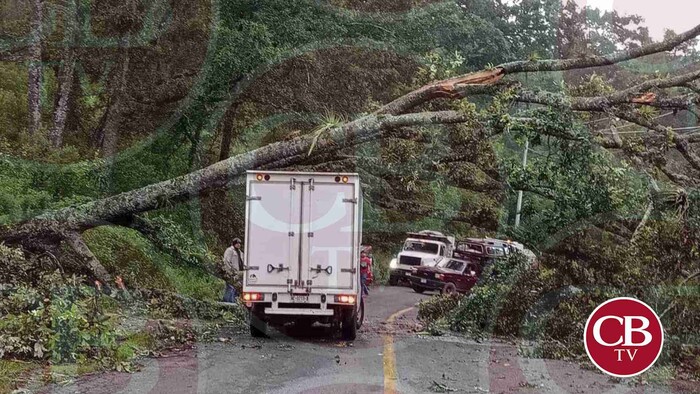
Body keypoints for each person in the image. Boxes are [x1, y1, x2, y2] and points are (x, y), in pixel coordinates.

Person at [223, 237, 244, 302]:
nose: (239, 245)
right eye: (237, 243)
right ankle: (227, 302)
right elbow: (226, 261)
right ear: (234, 243)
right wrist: (230, 271)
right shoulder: (230, 250)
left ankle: (233, 302)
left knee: (236, 288)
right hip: (231, 273)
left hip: (239, 273)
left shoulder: (240, 252)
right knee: (230, 287)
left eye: (239, 243)